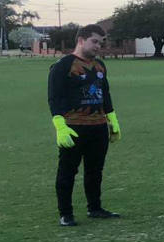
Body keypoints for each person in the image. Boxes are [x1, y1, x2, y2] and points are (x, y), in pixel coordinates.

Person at [48, 24, 121, 226]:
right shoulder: (63, 65)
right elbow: (55, 98)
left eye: (101, 43)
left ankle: (95, 208)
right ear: (81, 40)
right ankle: (66, 214)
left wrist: (112, 120)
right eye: (94, 41)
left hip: (98, 128)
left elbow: (105, 94)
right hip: (73, 127)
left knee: (95, 171)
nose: (98, 46)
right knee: (67, 172)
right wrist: (60, 126)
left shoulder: (100, 66)